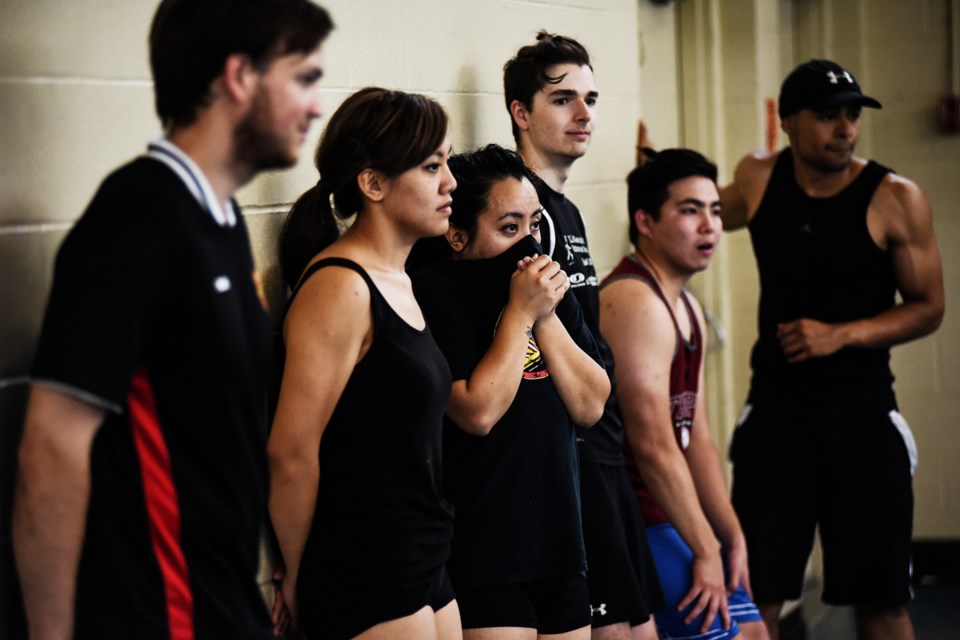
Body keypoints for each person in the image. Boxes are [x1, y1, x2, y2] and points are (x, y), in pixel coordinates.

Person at [11, 1, 331, 638]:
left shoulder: (223, 220)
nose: (317, 106)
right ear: (239, 76)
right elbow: (51, 448)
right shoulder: (136, 215)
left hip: (221, 601)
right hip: (158, 612)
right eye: (304, 78)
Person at [720, 59, 945, 640]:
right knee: (753, 598)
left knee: (882, 603)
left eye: (852, 115)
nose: (845, 128)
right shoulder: (757, 177)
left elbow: (928, 306)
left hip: (862, 418)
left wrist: (841, 334)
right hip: (776, 419)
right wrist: (658, 179)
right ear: (789, 122)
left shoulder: (896, 197)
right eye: (827, 117)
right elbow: (699, 215)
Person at [268, 87, 461, 640]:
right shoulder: (339, 288)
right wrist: (299, 573)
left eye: (446, 162)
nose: (450, 182)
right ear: (372, 183)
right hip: (365, 563)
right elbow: (290, 451)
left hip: (424, 550)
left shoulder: (399, 278)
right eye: (431, 166)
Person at [409, 144, 610, 640]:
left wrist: (542, 313)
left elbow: (591, 405)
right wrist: (519, 313)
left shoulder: (548, 293)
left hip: (560, 545)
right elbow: (476, 412)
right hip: (485, 550)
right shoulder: (435, 292)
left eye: (534, 225)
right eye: (508, 228)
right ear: (458, 236)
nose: (529, 244)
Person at [504, 32, 663, 639]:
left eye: (591, 98)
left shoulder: (564, 210)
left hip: (603, 452)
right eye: (563, 98)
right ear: (521, 113)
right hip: (567, 460)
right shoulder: (519, 213)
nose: (584, 113)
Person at [600, 149, 767, 640]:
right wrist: (705, 549)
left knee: (755, 632)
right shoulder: (634, 300)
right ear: (645, 221)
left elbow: (696, 438)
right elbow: (653, 444)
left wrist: (730, 536)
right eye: (690, 210)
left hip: (672, 515)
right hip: (634, 521)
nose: (709, 226)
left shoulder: (687, 306)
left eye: (715, 211)